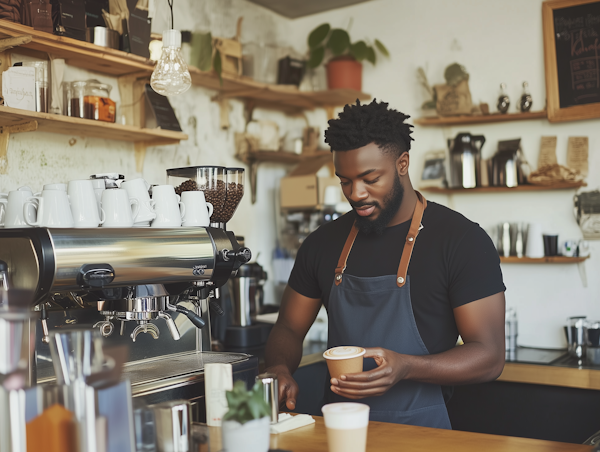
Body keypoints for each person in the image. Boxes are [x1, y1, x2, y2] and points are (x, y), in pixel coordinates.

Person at [264, 99, 506, 428]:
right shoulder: (322, 243)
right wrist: (279, 367)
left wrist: (407, 366)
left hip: (424, 436)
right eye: (345, 181)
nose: (356, 193)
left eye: (370, 178)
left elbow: (489, 356)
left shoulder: (461, 241)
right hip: (339, 432)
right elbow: (289, 328)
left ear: (402, 163)